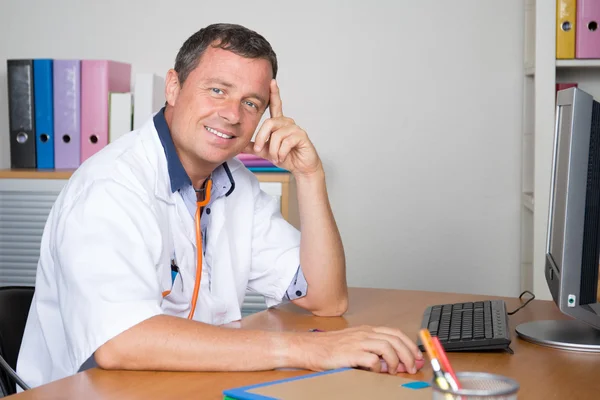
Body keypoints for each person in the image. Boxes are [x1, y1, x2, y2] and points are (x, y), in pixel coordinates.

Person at [16, 23, 423, 389]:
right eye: (217, 90)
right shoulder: (110, 187)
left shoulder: (236, 183)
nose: (231, 114)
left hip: (188, 383)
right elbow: (121, 343)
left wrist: (310, 177)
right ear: (173, 87)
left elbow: (326, 298)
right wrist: (307, 350)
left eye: (251, 102)